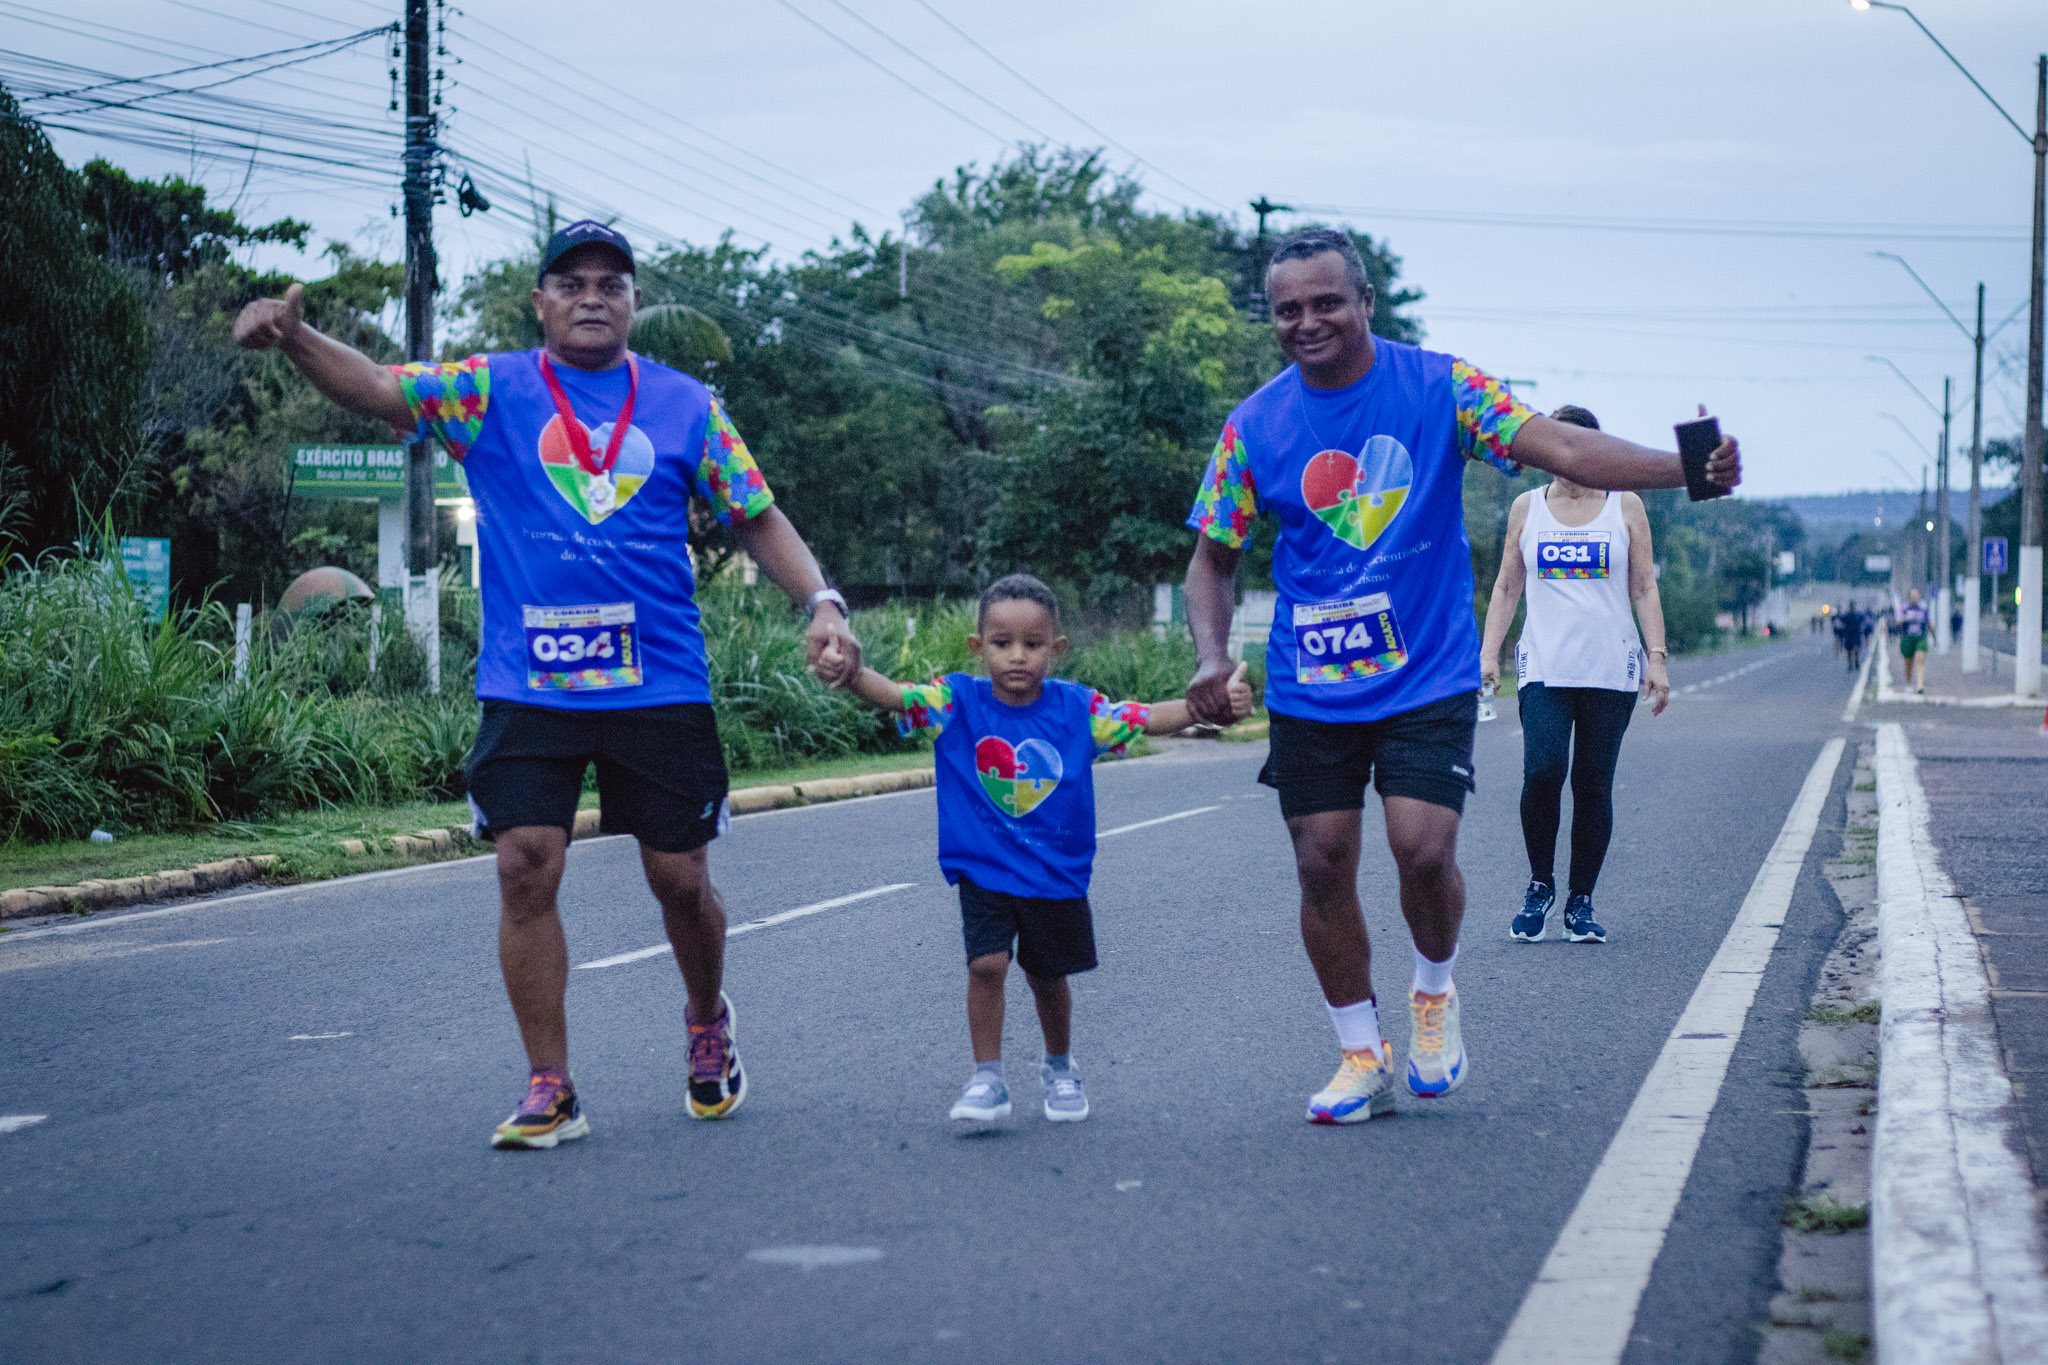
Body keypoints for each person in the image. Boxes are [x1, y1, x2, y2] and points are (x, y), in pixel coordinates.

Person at [233, 220, 862, 1148]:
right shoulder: (491, 390)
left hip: (659, 683)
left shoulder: (687, 405)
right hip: (530, 685)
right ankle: (550, 1083)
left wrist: (823, 602)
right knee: (525, 863)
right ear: (540, 303)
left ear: (636, 302)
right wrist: (295, 339)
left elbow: (755, 514)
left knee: (680, 879)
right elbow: (378, 388)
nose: (592, 297)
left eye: (612, 283)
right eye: (571, 283)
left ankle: (706, 1019)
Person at [1179, 229, 1740, 1125]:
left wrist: (1685, 468)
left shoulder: (1440, 387)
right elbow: (1212, 559)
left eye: (1327, 302)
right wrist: (1211, 658)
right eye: (1288, 310)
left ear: (1366, 303)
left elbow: (1563, 448)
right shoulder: (1255, 425)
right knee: (1321, 862)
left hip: (1425, 671)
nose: (1307, 321)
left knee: (1423, 849)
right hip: (1311, 683)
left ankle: (1433, 991)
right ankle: (1360, 1053)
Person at [837, 574, 1252, 1124]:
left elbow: (1147, 716)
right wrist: (851, 673)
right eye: (1001, 643)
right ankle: (987, 1077)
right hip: (983, 870)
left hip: (1054, 874)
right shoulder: (954, 703)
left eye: (1033, 644)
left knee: (1047, 977)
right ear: (978, 646)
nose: (1017, 656)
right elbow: (895, 696)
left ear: (1056, 649)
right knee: (986, 965)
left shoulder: (1078, 709)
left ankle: (1059, 1065)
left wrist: (1209, 706)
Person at [1479, 405, 1671, 946]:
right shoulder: (1527, 507)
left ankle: (1580, 901)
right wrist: (1488, 653)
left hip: (1611, 669)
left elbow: (1643, 587)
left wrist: (1657, 658)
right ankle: (1540, 885)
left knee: (1592, 783)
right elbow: (1506, 586)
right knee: (1542, 772)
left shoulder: (1625, 505)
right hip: (1544, 666)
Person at [1897, 587, 1931, 692]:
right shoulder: (1904, 608)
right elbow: (1897, 621)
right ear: (1909, 597)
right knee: (1908, 662)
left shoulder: (1923, 608)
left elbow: (1929, 622)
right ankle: (1908, 683)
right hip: (1907, 638)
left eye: (1916, 596)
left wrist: (1934, 638)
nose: (1914, 598)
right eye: (1912, 596)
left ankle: (1920, 685)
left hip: (1920, 637)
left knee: (1920, 658)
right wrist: (1906, 618)